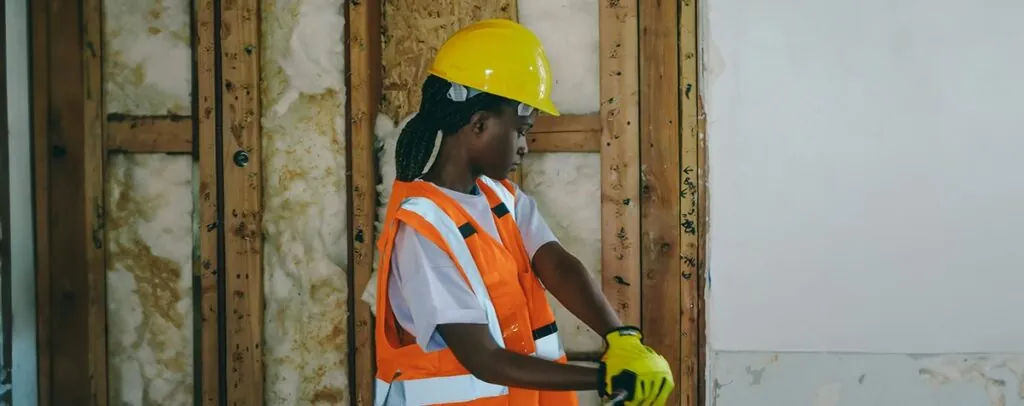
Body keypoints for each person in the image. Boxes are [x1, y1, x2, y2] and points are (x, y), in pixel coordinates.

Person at [373, 18, 675, 406]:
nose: (525, 146)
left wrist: (620, 337)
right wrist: (605, 378)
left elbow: (558, 265)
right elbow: (482, 358)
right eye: (522, 129)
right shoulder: (422, 231)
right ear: (479, 124)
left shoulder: (503, 199)